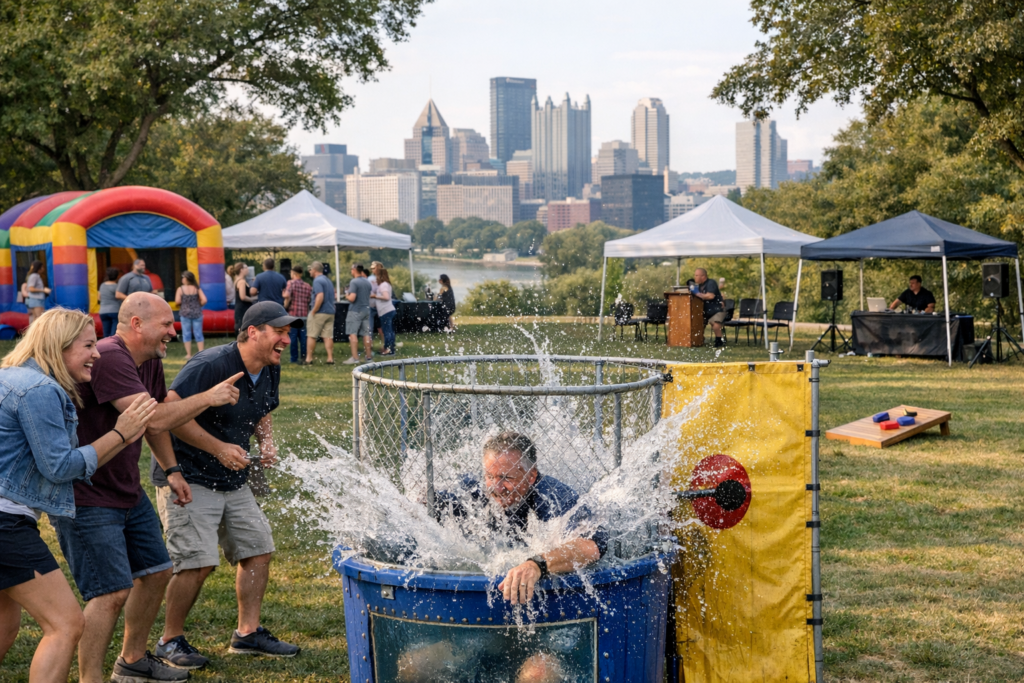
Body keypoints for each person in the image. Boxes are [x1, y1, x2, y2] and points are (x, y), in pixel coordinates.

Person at [51, 293, 244, 681]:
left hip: (125, 489)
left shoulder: (148, 362)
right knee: (109, 593)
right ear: (137, 325)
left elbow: (152, 420)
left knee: (156, 572)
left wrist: (172, 470)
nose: (173, 331)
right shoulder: (109, 356)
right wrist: (208, 397)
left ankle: (132, 661)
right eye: (166, 324)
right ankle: (91, 678)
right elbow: (154, 417)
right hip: (86, 494)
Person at [0, 308, 157, 683]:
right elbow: (60, 467)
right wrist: (121, 433)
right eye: (87, 345)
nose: (97, 354)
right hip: (6, 522)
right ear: (59, 346)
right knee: (66, 624)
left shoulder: (9, 376)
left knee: (5, 619)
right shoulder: (40, 391)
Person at [159, 302, 302, 660]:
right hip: (188, 475)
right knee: (197, 563)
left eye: (288, 332)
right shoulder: (211, 365)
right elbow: (169, 414)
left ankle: (247, 634)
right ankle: (170, 640)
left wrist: (266, 441)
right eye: (279, 331)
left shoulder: (270, 367)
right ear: (253, 332)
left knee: (258, 551)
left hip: (233, 477)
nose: (286, 338)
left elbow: (264, 408)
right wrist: (218, 447)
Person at [434, 431, 607, 606]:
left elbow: (592, 545)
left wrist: (537, 565)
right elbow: (427, 508)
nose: (497, 488)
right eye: (490, 476)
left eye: (506, 478)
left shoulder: (553, 497)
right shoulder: (472, 490)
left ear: (530, 476)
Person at [306, 261, 337, 365]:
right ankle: (330, 358)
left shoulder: (317, 281)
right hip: (330, 311)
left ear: (314, 270)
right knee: (328, 336)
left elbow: (320, 296)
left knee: (311, 335)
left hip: (320, 312)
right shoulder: (328, 280)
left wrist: (314, 311)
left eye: (310, 269)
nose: (309, 271)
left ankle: (309, 359)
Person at [342, 264, 371, 365]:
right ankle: (368, 357)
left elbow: (352, 298)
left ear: (354, 270)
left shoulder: (354, 282)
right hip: (366, 310)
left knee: (352, 333)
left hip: (355, 310)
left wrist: (346, 295)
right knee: (366, 334)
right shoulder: (367, 282)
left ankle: (355, 358)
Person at [175, 271, 207, 360]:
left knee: (186, 333)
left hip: (185, 313)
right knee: (198, 333)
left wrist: (183, 303)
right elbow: (204, 300)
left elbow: (177, 301)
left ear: (186, 279)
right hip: (197, 313)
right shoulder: (197, 288)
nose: (182, 279)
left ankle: (189, 354)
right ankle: (201, 352)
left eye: (183, 277)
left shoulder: (180, 289)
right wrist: (198, 305)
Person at [283, 265, 312, 364]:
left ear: (294, 273)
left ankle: (294, 358)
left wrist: (284, 299)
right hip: (304, 314)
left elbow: (287, 295)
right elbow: (309, 300)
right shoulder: (307, 286)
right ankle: (304, 357)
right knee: (304, 338)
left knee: (293, 338)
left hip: (293, 315)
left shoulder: (291, 283)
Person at [693, 268, 726, 347]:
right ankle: (698, 340)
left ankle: (719, 341)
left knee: (715, 322)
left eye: (697, 275)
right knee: (696, 321)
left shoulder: (711, 283)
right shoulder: (699, 286)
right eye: (695, 275)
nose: (695, 277)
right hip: (705, 311)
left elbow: (710, 296)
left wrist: (697, 294)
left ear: (703, 276)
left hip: (717, 310)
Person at [371, 265, 397, 356]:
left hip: (386, 311)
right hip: (386, 311)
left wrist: (375, 296)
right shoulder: (385, 284)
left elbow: (386, 297)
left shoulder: (384, 285)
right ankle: (390, 348)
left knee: (387, 331)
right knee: (389, 331)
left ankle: (388, 349)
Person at [24, 260, 51, 325]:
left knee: (35, 319)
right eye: (42, 267)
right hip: (36, 300)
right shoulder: (34, 276)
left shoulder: (36, 276)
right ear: (39, 268)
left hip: (37, 300)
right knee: (39, 319)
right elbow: (31, 288)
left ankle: (32, 334)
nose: (43, 269)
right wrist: (43, 290)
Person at [233, 262, 256, 333]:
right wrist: (254, 299)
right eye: (246, 267)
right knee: (242, 329)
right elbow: (243, 297)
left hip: (241, 308)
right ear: (241, 270)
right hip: (243, 308)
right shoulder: (242, 281)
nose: (247, 269)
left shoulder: (238, 280)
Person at [99, 267, 122, 338]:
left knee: (106, 334)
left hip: (103, 311)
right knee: (113, 334)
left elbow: (99, 298)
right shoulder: (117, 287)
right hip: (114, 311)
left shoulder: (102, 285)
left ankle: (105, 348)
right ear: (117, 276)